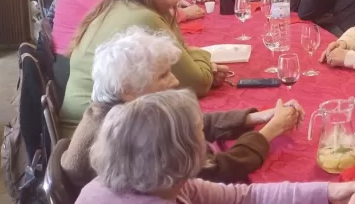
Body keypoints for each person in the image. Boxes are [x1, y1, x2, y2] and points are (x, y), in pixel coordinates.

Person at [65, 89, 355, 204]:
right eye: (199, 132)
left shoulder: (147, 180)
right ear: (178, 154)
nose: (206, 140)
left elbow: (242, 201)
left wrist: (331, 192)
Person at [62, 29, 303, 189]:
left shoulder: (115, 110)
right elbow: (217, 170)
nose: (175, 81)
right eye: (163, 75)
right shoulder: (131, 136)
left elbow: (185, 125)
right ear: (128, 89)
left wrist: (256, 118)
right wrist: (270, 131)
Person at [61, 0, 219, 132]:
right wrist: (203, 55)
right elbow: (198, 83)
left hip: (100, 122)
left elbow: (182, 54)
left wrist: (192, 58)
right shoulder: (144, 17)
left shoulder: (122, 2)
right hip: (95, 133)